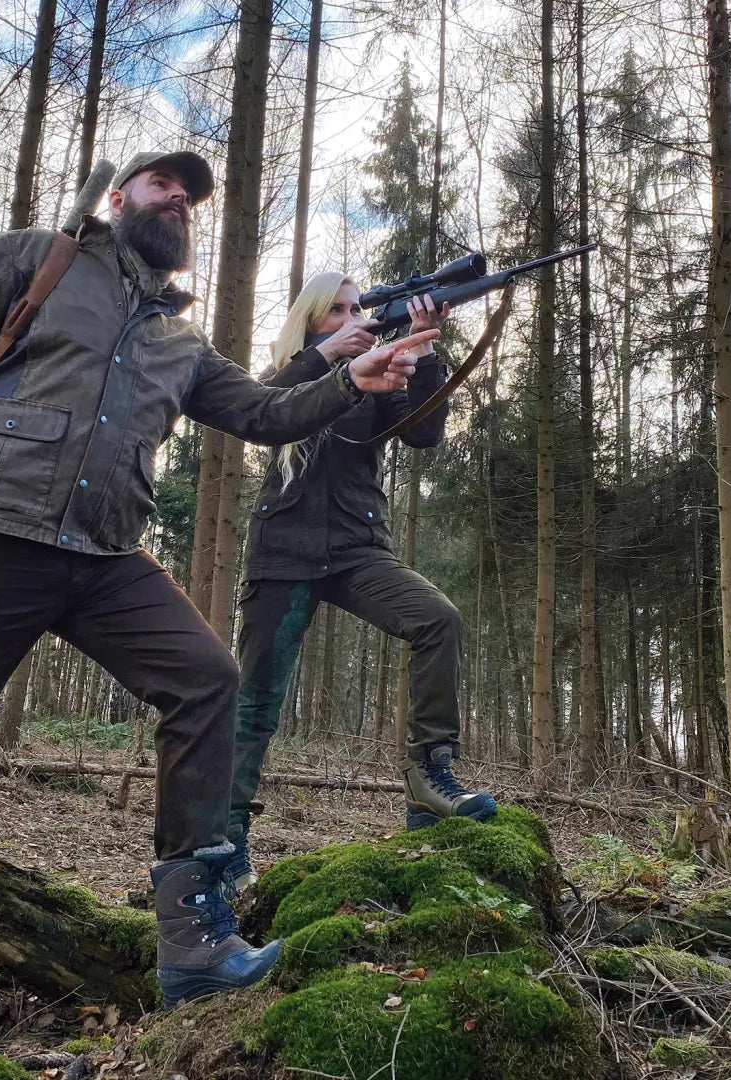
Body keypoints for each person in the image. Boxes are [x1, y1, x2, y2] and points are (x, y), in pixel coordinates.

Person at [0, 151, 438, 1060]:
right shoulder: (37, 258)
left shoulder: (181, 341)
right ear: (120, 195)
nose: (179, 200)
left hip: (104, 551)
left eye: (193, 197)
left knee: (207, 678)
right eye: (164, 184)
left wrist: (348, 383)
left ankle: (194, 939)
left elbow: (263, 414)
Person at [222, 271, 498, 894]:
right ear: (313, 321)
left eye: (359, 308)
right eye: (337, 311)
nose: (353, 317)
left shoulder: (378, 372)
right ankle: (227, 842)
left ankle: (430, 783)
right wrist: (330, 358)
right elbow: (263, 407)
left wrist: (424, 354)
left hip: (356, 548)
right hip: (283, 555)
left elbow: (423, 432)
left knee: (437, 619)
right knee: (255, 706)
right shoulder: (293, 371)